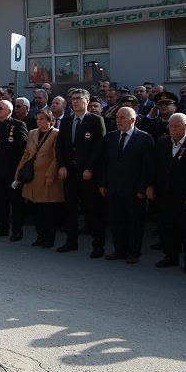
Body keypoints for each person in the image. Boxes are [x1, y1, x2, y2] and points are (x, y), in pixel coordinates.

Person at [98, 107, 154, 264]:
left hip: (134, 190)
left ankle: (134, 252)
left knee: (134, 222)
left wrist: (142, 188)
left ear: (132, 119)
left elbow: (147, 167)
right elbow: (104, 162)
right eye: (117, 117)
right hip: (114, 188)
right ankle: (119, 249)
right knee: (116, 221)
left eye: (123, 117)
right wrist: (102, 183)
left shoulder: (145, 139)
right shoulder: (110, 137)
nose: (119, 120)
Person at [150, 113, 186, 273]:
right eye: (171, 126)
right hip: (165, 194)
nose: (173, 129)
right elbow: (155, 167)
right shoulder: (162, 142)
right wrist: (151, 186)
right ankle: (170, 256)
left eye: (177, 126)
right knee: (167, 228)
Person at [55, 88, 106, 254]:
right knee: (70, 208)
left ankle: (98, 245)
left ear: (87, 101)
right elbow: (60, 146)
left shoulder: (96, 120)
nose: (75, 101)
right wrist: (62, 165)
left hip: (87, 173)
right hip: (70, 172)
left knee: (93, 210)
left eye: (79, 98)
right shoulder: (68, 121)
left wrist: (90, 168)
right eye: (73, 99)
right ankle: (71, 241)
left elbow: (99, 149)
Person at [17, 108, 62, 248]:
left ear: (50, 121)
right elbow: (26, 154)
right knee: (36, 209)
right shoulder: (32, 133)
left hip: (47, 177)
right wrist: (19, 170)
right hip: (32, 176)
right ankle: (40, 236)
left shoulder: (56, 134)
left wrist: (50, 174)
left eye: (42, 119)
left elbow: (56, 157)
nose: (39, 121)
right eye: (37, 119)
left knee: (48, 210)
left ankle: (49, 238)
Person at [0, 99, 28, 240]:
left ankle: (17, 230)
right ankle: (2, 228)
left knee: (16, 203)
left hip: (13, 172)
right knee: (0, 201)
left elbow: (24, 149)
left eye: (1, 108)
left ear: (9, 111)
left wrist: (20, 170)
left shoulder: (18, 125)